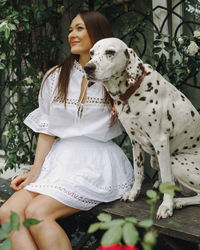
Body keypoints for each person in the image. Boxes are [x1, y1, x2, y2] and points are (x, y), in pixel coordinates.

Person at [0, 11, 134, 250]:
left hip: (97, 162)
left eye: (79, 28)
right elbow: (48, 129)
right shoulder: (55, 76)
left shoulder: (120, 77)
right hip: (60, 161)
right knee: (8, 213)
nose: (72, 34)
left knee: (37, 212)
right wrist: (35, 171)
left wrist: (123, 108)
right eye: (71, 29)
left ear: (98, 34)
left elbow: (142, 124)